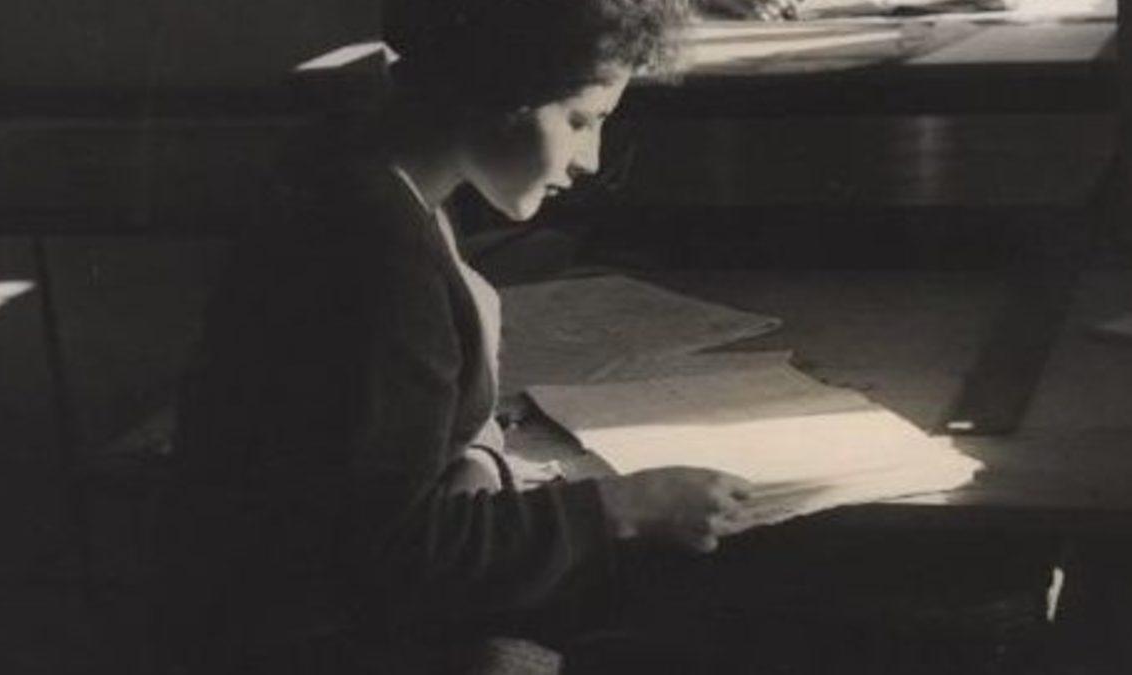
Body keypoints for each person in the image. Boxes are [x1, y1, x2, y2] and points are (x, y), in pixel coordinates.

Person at [152, 1, 756, 673]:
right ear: (503, 89)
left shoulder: (375, 180)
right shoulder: (380, 252)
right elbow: (394, 553)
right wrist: (625, 505)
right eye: (580, 120)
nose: (590, 159)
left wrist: (482, 462)